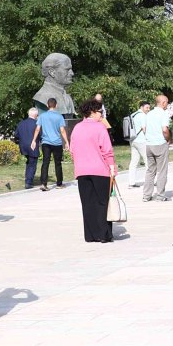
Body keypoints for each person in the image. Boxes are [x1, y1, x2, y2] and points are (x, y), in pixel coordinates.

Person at [70, 98, 117, 243]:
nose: (101, 115)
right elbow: (107, 150)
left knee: (88, 203)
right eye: (100, 112)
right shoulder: (100, 127)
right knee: (102, 202)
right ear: (92, 112)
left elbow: (72, 150)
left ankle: (90, 235)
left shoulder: (77, 128)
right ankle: (104, 234)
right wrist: (112, 168)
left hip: (82, 170)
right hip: (100, 170)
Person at [133, 98, 173, 201]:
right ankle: (160, 195)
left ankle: (146, 195)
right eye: (167, 102)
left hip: (149, 144)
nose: (167, 104)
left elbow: (145, 129)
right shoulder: (163, 114)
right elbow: (165, 129)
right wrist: (168, 139)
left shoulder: (149, 114)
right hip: (160, 143)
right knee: (162, 171)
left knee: (150, 171)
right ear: (163, 103)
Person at [33, 97, 67, 190]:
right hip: (57, 143)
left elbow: (37, 129)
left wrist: (33, 140)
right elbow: (62, 130)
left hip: (46, 142)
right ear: (56, 105)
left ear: (47, 105)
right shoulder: (59, 116)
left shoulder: (42, 116)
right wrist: (67, 142)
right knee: (58, 163)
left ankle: (44, 184)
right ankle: (59, 184)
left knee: (45, 162)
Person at [14, 106, 41, 190]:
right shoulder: (37, 124)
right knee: (32, 164)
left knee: (29, 162)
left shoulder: (21, 123)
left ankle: (28, 178)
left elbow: (16, 135)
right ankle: (28, 182)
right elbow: (40, 135)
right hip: (32, 146)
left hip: (23, 146)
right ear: (36, 115)